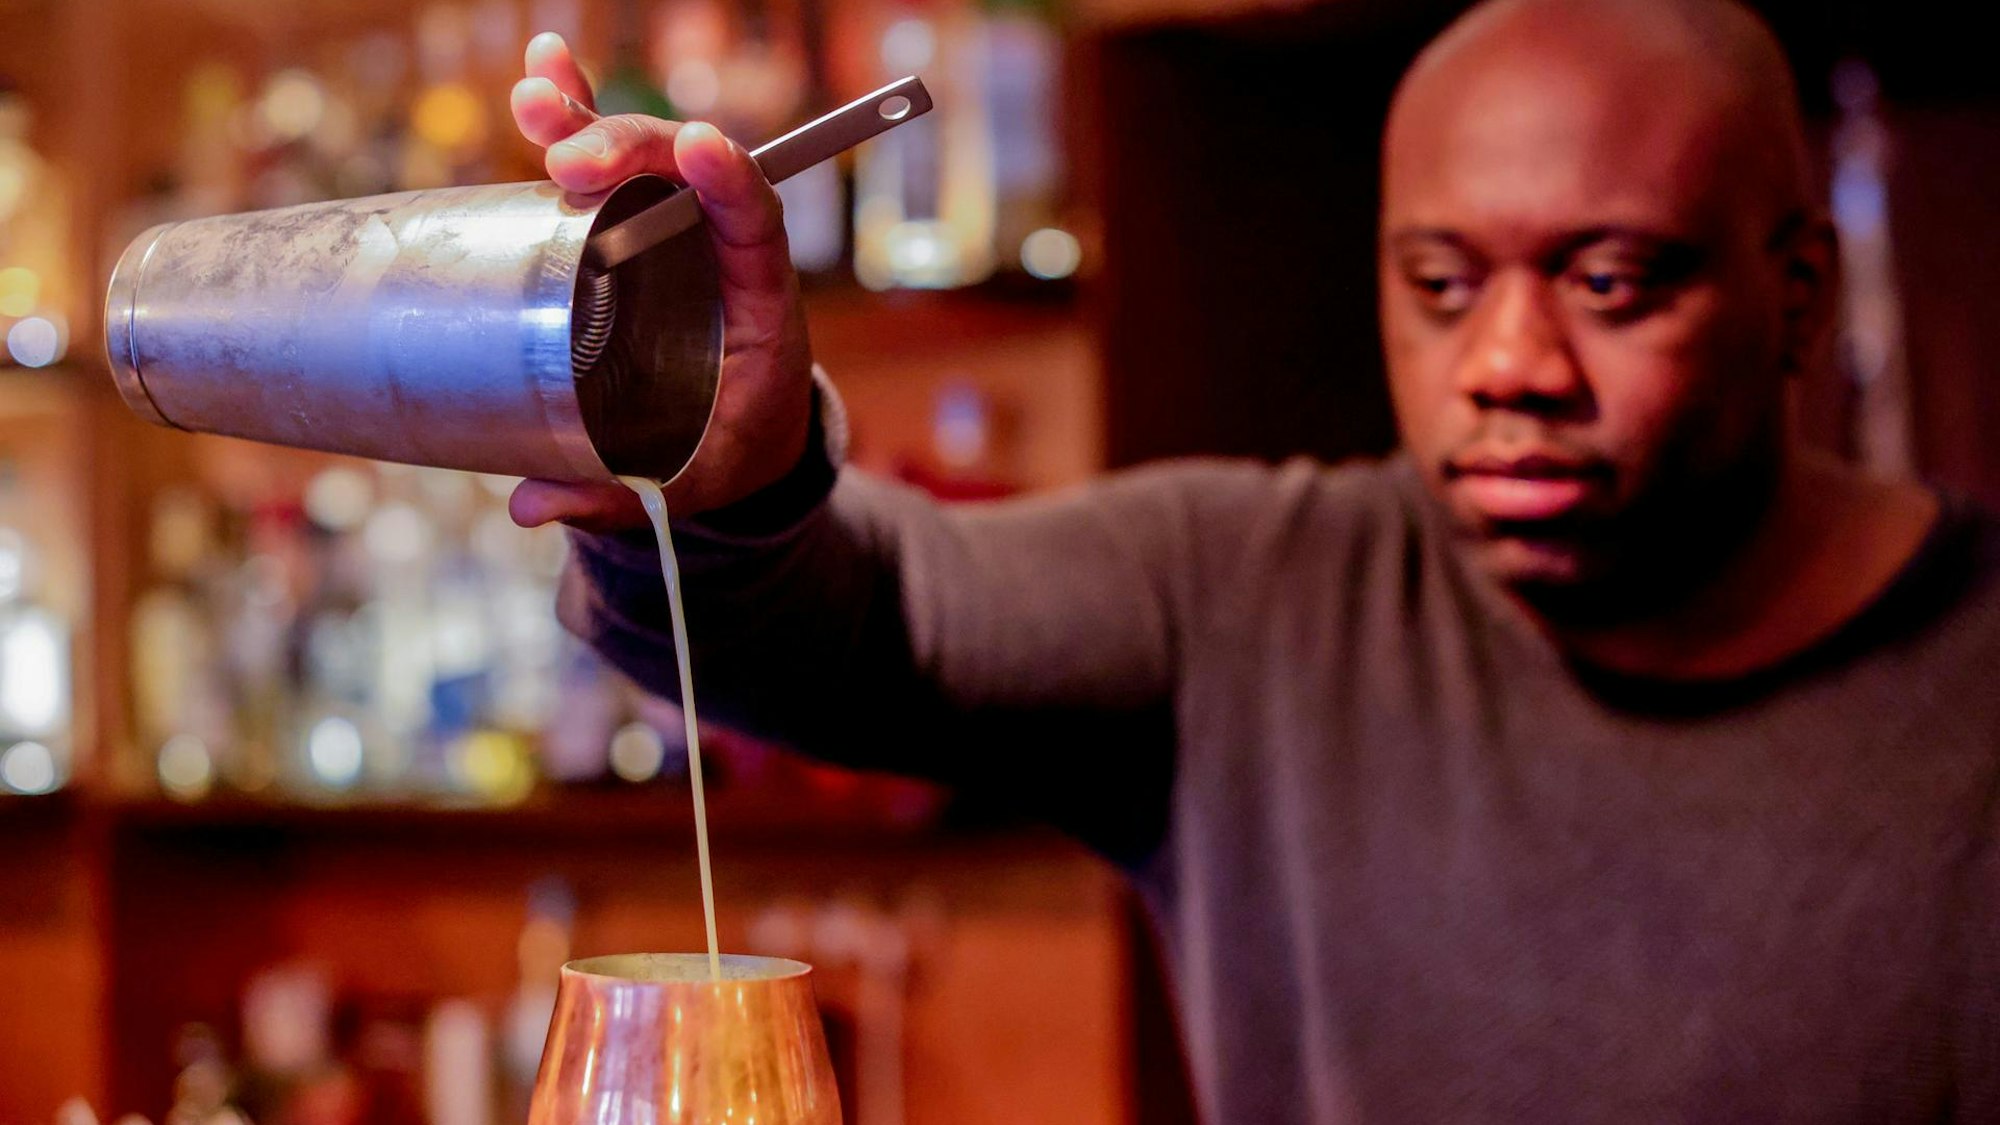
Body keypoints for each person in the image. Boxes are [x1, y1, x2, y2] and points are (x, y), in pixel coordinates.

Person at [508, 0, 2000, 1119]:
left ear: (1797, 297)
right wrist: (729, 461)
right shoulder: (1254, 598)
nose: (1509, 362)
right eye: (1442, 284)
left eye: (1610, 283)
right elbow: (857, 617)